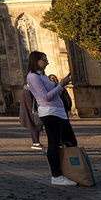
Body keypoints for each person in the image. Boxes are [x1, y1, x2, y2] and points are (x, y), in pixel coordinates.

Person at [25, 51, 78, 186]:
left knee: (70, 141)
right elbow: (45, 97)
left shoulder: (42, 75)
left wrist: (61, 83)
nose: (47, 62)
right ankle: (56, 175)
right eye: (44, 60)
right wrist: (60, 86)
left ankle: (71, 169)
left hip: (59, 111)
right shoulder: (32, 77)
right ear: (36, 61)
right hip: (49, 112)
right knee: (54, 143)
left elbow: (52, 91)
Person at [19, 79, 43, 150]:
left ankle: (35, 142)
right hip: (32, 111)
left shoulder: (24, 90)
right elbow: (32, 102)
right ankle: (36, 143)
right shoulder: (29, 91)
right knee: (35, 126)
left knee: (33, 127)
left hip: (27, 111)